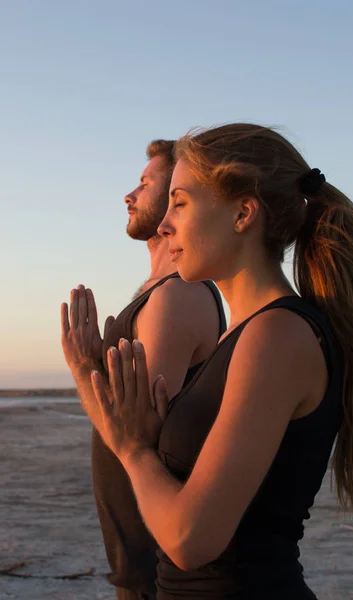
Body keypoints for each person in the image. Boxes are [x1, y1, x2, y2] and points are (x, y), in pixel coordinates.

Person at [75, 124, 353, 599]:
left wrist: (135, 450)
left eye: (180, 203)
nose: (165, 225)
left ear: (244, 212)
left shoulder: (278, 335)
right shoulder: (243, 333)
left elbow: (191, 539)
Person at [61, 139, 226, 600]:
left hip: (155, 563)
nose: (129, 195)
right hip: (136, 558)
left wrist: (80, 367)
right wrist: (94, 365)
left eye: (146, 184)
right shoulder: (158, 290)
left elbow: (136, 437)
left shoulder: (177, 295)